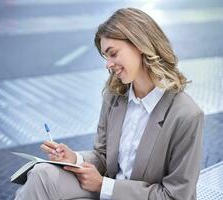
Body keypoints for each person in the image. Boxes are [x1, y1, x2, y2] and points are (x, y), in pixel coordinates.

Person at [14, 7, 204, 200]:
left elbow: (175, 196)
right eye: (106, 57)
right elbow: (104, 157)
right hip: (105, 192)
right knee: (41, 174)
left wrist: (105, 186)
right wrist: (74, 159)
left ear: (140, 45)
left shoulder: (186, 115)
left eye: (113, 53)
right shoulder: (115, 97)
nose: (108, 64)